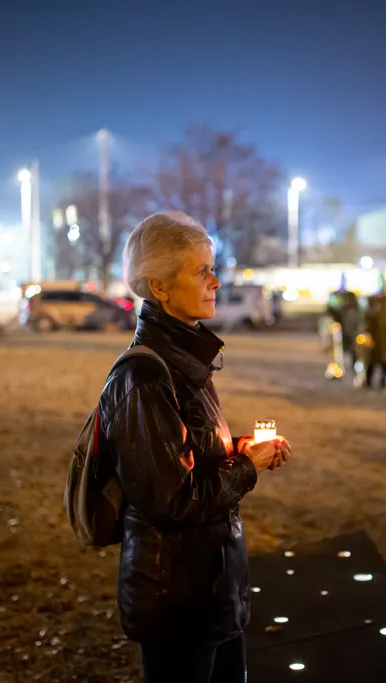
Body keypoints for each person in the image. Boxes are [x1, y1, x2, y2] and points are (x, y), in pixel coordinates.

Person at [103, 211, 291, 683]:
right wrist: (245, 466)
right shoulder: (145, 377)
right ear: (161, 288)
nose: (214, 281)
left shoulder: (187, 360)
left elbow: (193, 453)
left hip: (210, 591)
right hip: (177, 604)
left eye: (212, 267)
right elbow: (173, 499)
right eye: (200, 270)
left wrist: (241, 448)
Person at [362, 277, 386, 390]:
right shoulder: (372, 302)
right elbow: (367, 319)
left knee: (385, 361)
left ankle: (383, 381)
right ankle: (368, 380)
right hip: (374, 336)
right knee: (371, 360)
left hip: (385, 336)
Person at [325, 276, 360, 373]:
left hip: (349, 327)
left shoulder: (350, 296)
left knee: (352, 347)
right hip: (339, 326)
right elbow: (329, 310)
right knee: (337, 348)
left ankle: (354, 367)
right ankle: (337, 367)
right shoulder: (335, 296)